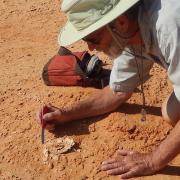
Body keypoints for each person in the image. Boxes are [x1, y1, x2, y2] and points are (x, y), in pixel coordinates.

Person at [37, 0, 180, 179]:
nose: (90, 48)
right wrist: (68, 113)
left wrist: (152, 161)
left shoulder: (170, 25)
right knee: (172, 111)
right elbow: (117, 92)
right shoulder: (130, 32)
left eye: (93, 38)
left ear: (120, 22)